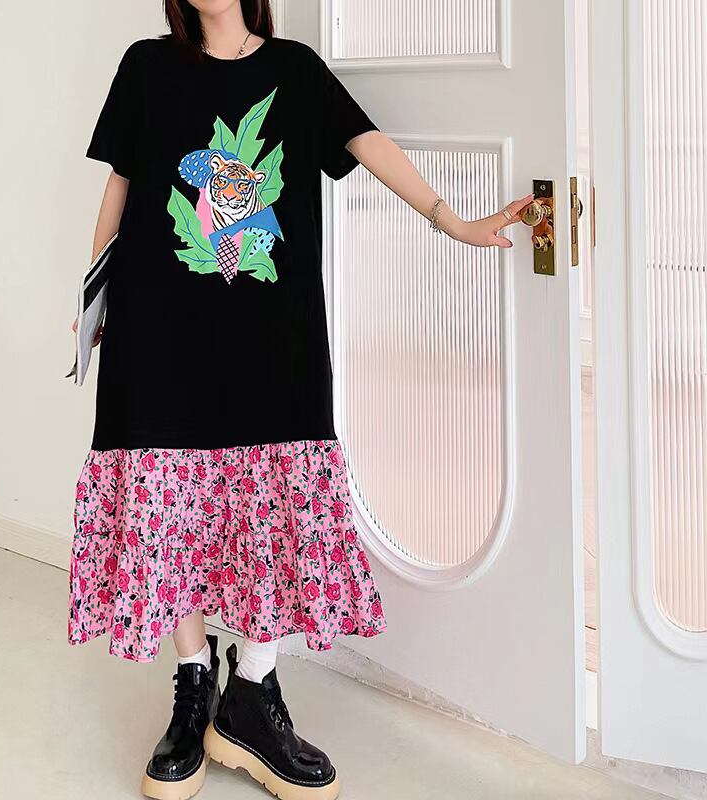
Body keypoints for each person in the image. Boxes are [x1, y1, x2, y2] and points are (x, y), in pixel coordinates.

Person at [68, 2, 531, 799]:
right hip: (157, 333)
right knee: (165, 503)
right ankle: (192, 684)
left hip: (271, 341)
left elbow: (368, 144)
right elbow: (121, 182)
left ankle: (253, 689)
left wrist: (452, 222)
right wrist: (92, 299)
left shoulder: (295, 72)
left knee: (274, 509)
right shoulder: (146, 66)